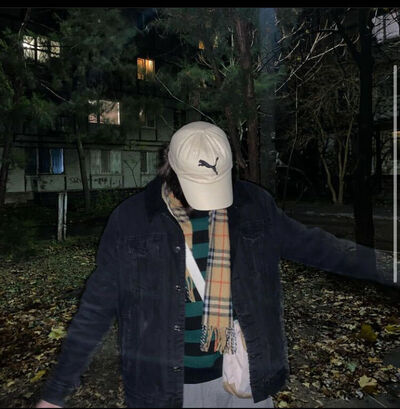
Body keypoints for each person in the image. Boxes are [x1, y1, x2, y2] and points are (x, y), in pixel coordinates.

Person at [36, 121, 397, 408]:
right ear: (169, 167)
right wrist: (56, 392)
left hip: (244, 377)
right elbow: (96, 308)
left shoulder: (253, 206)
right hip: (166, 389)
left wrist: (390, 266)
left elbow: (321, 248)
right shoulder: (131, 221)